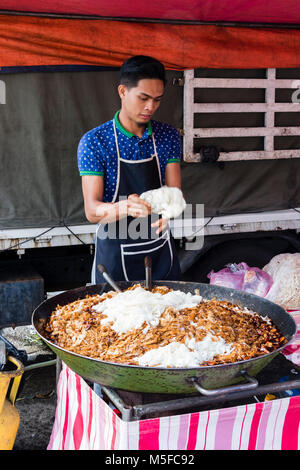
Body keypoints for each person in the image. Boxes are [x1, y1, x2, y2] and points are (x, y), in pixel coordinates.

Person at [77, 55, 182, 284]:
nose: (150, 107)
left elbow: (175, 193)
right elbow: (92, 211)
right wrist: (126, 207)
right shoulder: (95, 142)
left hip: (160, 253)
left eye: (157, 100)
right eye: (143, 98)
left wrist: (172, 207)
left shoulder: (168, 136)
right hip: (114, 258)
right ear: (123, 91)